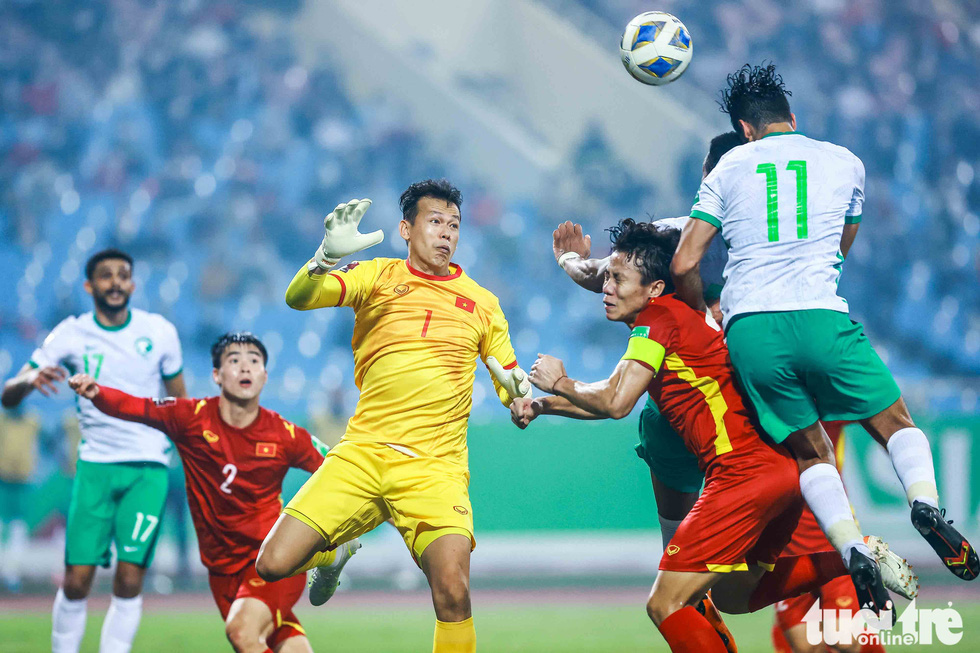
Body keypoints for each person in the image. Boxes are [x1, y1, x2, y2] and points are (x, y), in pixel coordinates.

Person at [513, 220, 913, 653]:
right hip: (780, 471)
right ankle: (853, 554)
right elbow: (614, 394)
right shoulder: (677, 320)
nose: (605, 287)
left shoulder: (657, 320)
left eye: (617, 278)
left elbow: (615, 401)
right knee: (730, 596)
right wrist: (543, 405)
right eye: (606, 276)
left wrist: (559, 383)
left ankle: (852, 554)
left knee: (665, 605)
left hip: (741, 475)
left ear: (655, 288)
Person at [670, 63, 978, 583]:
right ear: (791, 117)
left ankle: (853, 548)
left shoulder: (727, 169)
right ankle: (925, 505)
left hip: (752, 330)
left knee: (811, 452)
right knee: (896, 424)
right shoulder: (845, 162)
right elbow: (840, 247)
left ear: (744, 130)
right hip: (819, 314)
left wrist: (705, 313)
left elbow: (682, 263)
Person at [254, 180, 531, 653]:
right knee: (272, 564)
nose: (446, 233)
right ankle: (335, 551)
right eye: (434, 222)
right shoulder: (377, 276)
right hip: (361, 455)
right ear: (406, 228)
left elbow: (511, 381)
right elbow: (298, 298)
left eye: (454, 225)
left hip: (434, 469)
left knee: (454, 592)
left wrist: (521, 400)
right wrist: (324, 258)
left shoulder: (483, 304)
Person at [552, 130, 743, 652]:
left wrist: (570, 264)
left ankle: (836, 555)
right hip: (702, 411)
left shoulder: (742, 240)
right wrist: (570, 263)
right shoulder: (682, 235)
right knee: (685, 576)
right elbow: (608, 272)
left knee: (698, 582)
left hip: (719, 411)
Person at [66, 332, 350, 653]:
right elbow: (138, 407)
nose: (245, 368)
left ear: (264, 376)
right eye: (234, 361)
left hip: (270, 558)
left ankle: (327, 555)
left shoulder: (283, 434)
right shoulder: (191, 418)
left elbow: (337, 468)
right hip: (220, 567)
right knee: (276, 637)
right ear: (216, 375)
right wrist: (97, 393)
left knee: (242, 633)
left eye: (254, 361)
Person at [1, 248, 186, 653]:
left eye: (124, 275)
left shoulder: (160, 333)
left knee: (129, 579)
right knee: (76, 580)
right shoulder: (70, 333)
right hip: (95, 467)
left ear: (133, 284)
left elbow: (180, 405)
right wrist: (30, 379)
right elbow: (7, 395)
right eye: (106, 276)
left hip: (147, 469)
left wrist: (183, 450)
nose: (116, 282)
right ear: (90, 286)